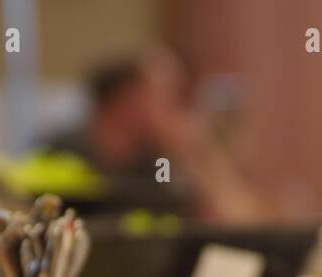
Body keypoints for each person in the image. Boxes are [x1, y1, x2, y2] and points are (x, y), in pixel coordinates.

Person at [45, 49, 263, 222]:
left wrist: (202, 155)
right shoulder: (59, 156)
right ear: (128, 100)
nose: (176, 109)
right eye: (166, 94)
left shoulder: (157, 164)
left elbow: (236, 224)